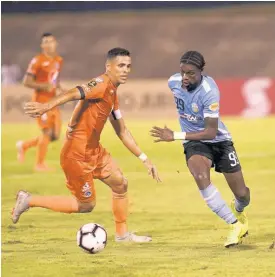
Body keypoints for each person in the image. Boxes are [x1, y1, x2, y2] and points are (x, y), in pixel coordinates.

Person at [12, 47, 161, 242]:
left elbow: (122, 131)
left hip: (94, 151)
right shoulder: (100, 83)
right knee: (86, 205)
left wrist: (145, 159)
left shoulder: (112, 93)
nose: (125, 70)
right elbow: (75, 92)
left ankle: (122, 235)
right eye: (121, 65)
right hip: (77, 154)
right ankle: (29, 200)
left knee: (120, 183)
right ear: (109, 66)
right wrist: (46, 106)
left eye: (128, 66)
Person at [150, 51, 250, 248]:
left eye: (191, 74)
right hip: (194, 143)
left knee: (243, 194)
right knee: (200, 175)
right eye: (183, 72)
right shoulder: (173, 82)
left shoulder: (209, 91)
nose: (186, 78)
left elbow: (211, 132)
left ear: (201, 72)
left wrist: (175, 135)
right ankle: (234, 224)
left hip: (219, 141)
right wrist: (183, 135)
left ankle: (238, 209)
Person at [16, 33, 66, 171]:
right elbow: (26, 81)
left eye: (51, 41)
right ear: (42, 45)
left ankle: (24, 146)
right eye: (45, 42)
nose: (48, 44)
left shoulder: (58, 60)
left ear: (55, 43)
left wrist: (60, 89)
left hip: (53, 101)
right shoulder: (37, 60)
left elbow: (55, 79)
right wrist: (44, 86)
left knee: (54, 136)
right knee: (47, 132)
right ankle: (39, 164)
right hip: (40, 101)